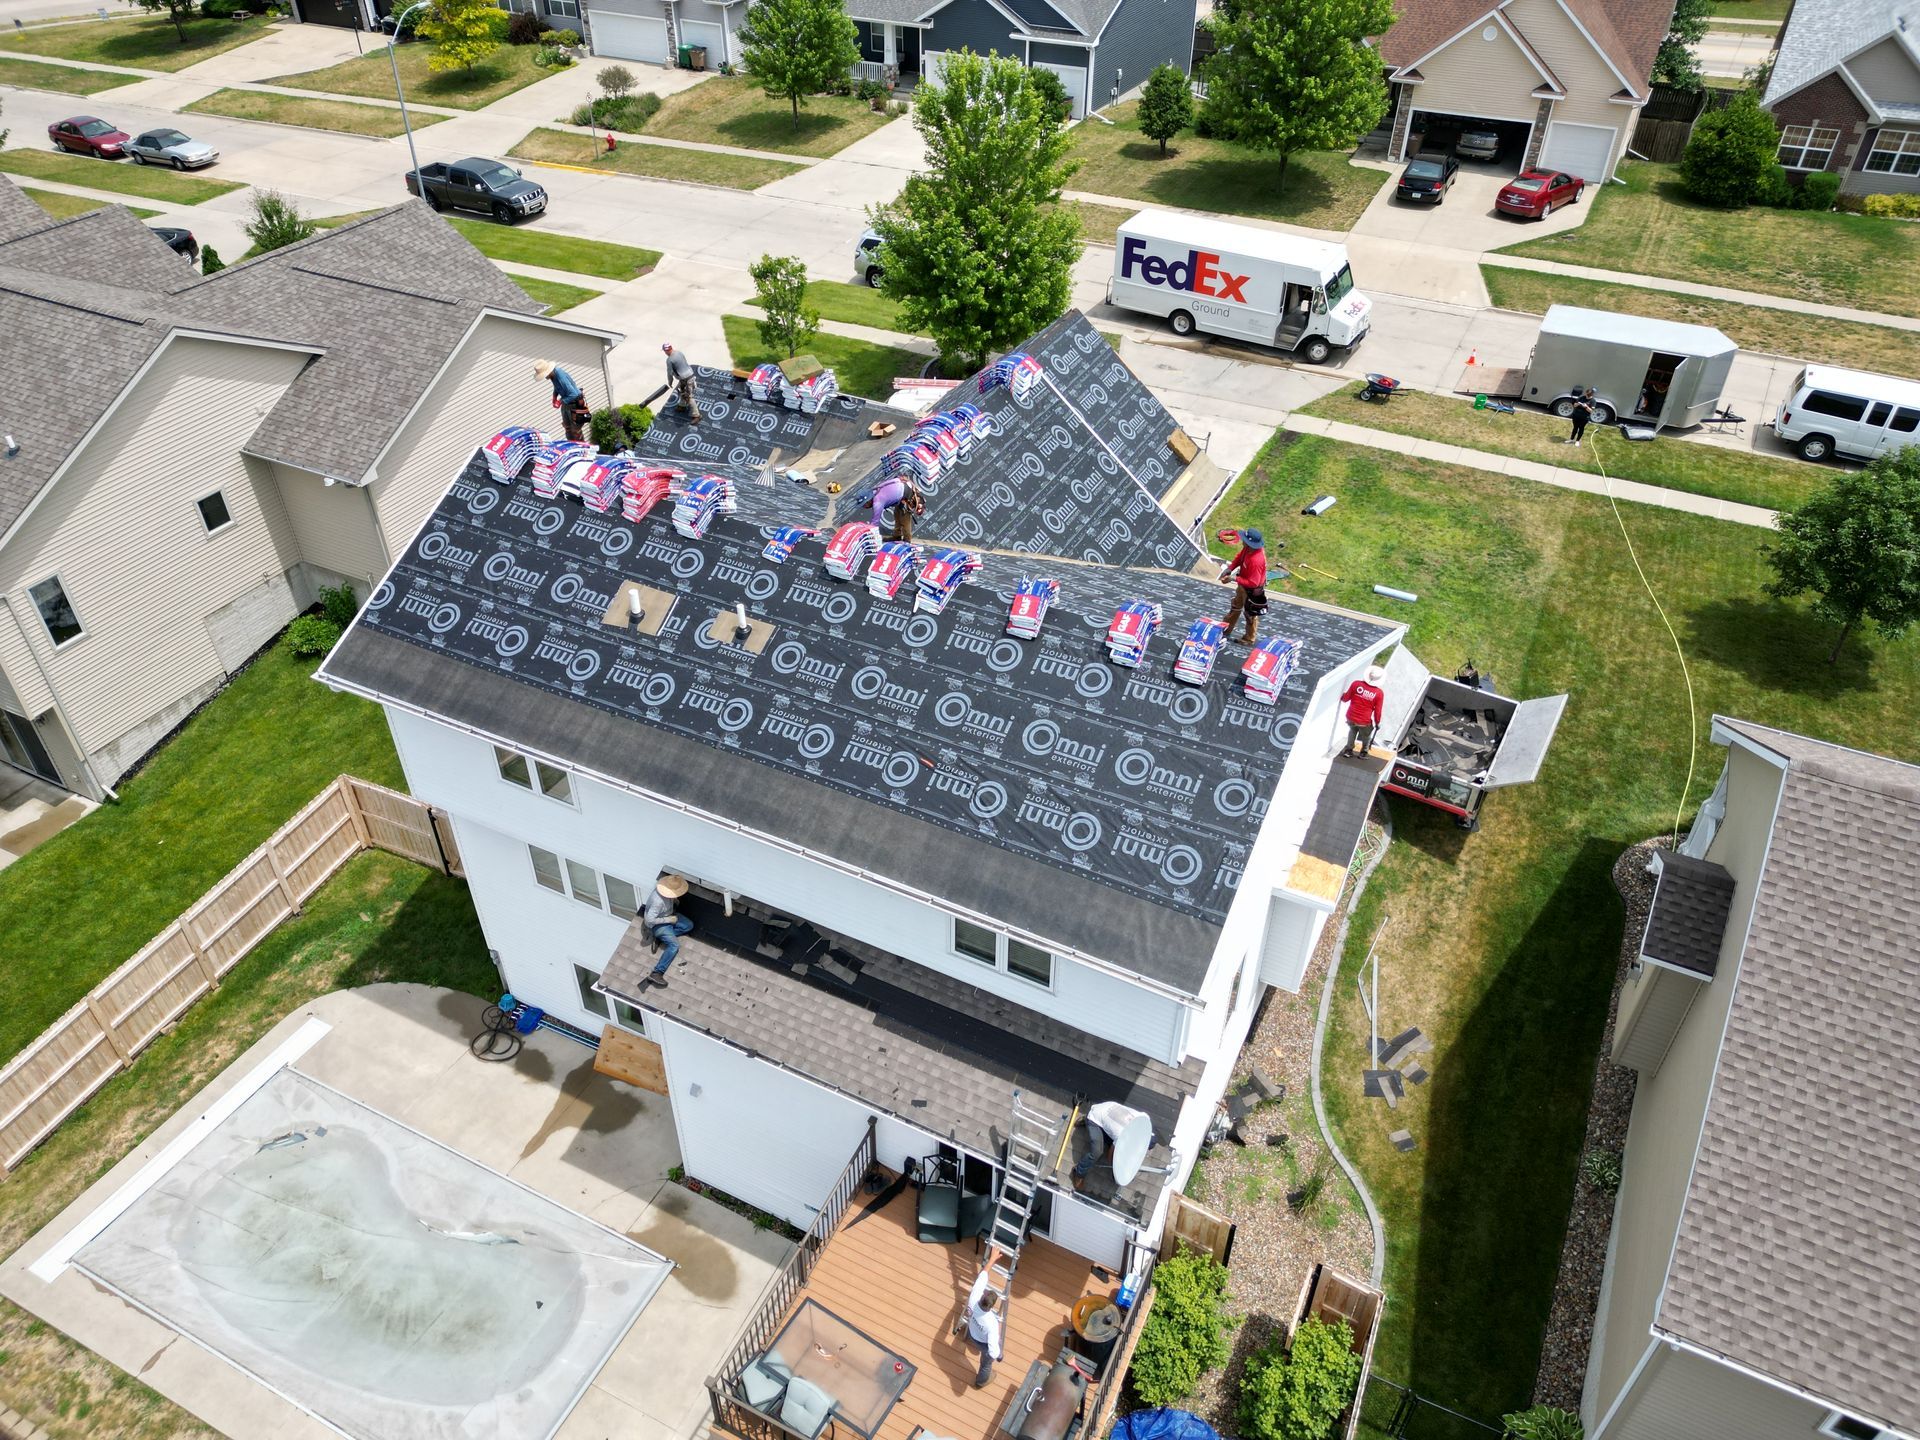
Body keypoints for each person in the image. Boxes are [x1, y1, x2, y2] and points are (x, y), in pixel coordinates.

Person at [1070, 1100, 1149, 1191]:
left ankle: (1099, 1123)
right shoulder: (1121, 1134)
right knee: (1097, 1152)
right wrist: (1116, 1168)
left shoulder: (1144, 1117)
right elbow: (1109, 1156)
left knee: (1113, 1139)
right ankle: (1078, 1173)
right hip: (1095, 1119)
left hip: (1108, 1110)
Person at [1219, 528, 1269, 645]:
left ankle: (1249, 638)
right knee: (1236, 606)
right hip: (1243, 584)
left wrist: (1233, 578)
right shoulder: (1248, 549)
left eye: (1244, 540)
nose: (1242, 541)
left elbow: (1254, 583)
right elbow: (1240, 558)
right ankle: (1226, 628)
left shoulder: (1256, 560)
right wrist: (1230, 568)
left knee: (1250, 614)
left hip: (1252, 591)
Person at [641, 873, 693, 986]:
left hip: (668, 916)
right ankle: (657, 973)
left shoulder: (666, 893)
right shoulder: (657, 901)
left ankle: (661, 938)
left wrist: (674, 901)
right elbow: (649, 920)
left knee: (689, 926)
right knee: (674, 946)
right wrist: (669, 919)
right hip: (658, 924)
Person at [964, 1250, 1007, 1387]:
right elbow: (993, 1351)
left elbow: (983, 1274)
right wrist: (996, 1353)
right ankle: (981, 1381)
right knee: (986, 1364)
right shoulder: (992, 1323)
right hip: (982, 1343)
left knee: (992, 1342)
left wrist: (992, 1258)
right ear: (991, 1307)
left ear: (982, 1297)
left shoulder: (974, 1298)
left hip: (972, 1332)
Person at [535, 360, 590, 443]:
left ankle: (582, 450)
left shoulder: (560, 375)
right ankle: (571, 448)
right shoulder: (553, 376)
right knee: (567, 428)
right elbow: (557, 387)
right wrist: (554, 396)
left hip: (574, 402)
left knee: (575, 430)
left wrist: (560, 402)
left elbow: (573, 394)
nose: (545, 377)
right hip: (566, 401)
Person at [1340, 665, 1387, 757]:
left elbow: (1345, 698)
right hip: (1364, 721)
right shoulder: (1379, 693)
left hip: (1351, 716)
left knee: (1352, 731)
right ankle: (1364, 752)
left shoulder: (1356, 684)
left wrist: (1341, 696)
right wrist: (1377, 723)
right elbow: (1378, 711)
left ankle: (1348, 750)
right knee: (1366, 735)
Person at [869, 476, 925, 541]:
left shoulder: (877, 502)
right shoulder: (878, 489)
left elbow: (875, 521)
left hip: (906, 499)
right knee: (897, 516)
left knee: (905, 520)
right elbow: (894, 480)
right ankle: (897, 536)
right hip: (901, 496)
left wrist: (870, 532)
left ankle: (907, 540)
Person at [663, 343, 701, 423]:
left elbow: (670, 372)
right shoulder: (679, 353)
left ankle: (697, 415)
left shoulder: (669, 360)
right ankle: (682, 406)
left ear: (666, 351)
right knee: (681, 392)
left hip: (686, 379)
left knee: (689, 397)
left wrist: (670, 382)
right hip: (687, 376)